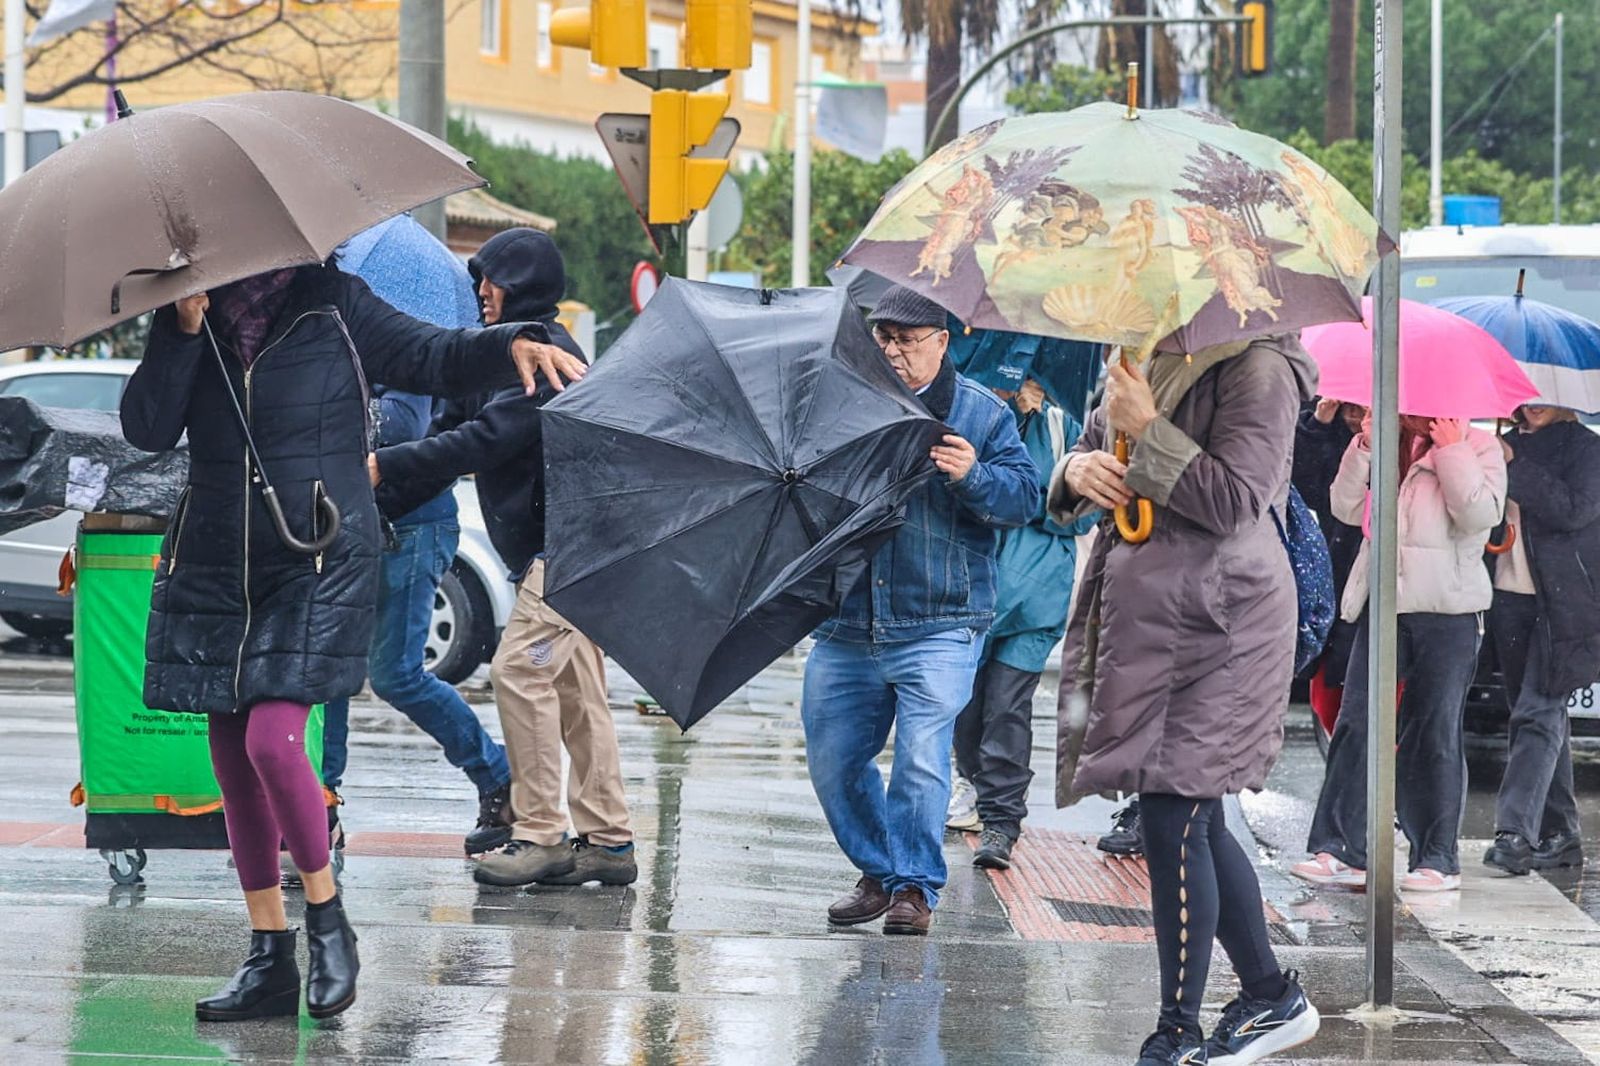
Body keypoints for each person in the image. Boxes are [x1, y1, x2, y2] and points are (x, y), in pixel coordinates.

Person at [120, 262, 583, 1022]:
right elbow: (146, 426)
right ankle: (269, 956)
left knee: (273, 741)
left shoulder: (332, 301)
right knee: (232, 757)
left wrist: (515, 343)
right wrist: (179, 332)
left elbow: (433, 353)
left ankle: (328, 920)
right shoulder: (185, 312)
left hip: (315, 546)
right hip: (216, 555)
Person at [1053, 336, 1321, 1066]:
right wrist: (1075, 470)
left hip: (1226, 620)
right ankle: (1270, 994)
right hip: (1154, 618)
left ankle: (1177, 1031)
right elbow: (1092, 451)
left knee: (1176, 811)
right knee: (1192, 813)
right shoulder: (1138, 352)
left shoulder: (1259, 367)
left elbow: (1236, 501)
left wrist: (1150, 428)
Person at [372, 228, 637, 890]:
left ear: (518, 286)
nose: (479, 290)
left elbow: (482, 441)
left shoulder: (547, 358)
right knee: (576, 691)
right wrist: (389, 487)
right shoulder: (501, 355)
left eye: (490, 278)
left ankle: (540, 833)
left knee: (519, 670)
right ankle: (608, 841)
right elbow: (449, 428)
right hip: (556, 549)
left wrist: (382, 467)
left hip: (574, 548)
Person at [805, 285, 1037, 937]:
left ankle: (913, 886)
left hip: (940, 620)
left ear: (943, 340)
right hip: (847, 621)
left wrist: (973, 476)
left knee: (921, 757)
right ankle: (880, 871)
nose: (892, 351)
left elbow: (1024, 501)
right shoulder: (843, 404)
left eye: (907, 340)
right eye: (882, 337)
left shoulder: (984, 414)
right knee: (834, 761)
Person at [1293, 412, 1505, 894]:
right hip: (1384, 601)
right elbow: (1344, 507)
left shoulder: (1477, 445)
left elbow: (1479, 517)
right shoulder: (1389, 439)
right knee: (1357, 721)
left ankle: (1436, 857)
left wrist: (1452, 451)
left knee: (1432, 730)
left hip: (1448, 609)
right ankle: (1341, 848)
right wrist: (1365, 446)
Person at [317, 381, 514, 858]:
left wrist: (328, 399)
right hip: (342, 521)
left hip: (413, 523)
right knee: (329, 671)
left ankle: (499, 777)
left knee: (395, 675)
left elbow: (404, 423)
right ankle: (321, 808)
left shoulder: (399, 335)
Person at [950, 377, 1096, 870]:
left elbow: (1079, 516)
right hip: (973, 587)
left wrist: (1021, 498)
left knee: (1007, 709)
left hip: (1036, 595)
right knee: (965, 712)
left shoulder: (1062, 427)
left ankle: (1002, 822)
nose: (1026, 385)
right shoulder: (978, 418)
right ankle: (973, 785)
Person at [1482, 404, 1600, 875]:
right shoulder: (1504, 442)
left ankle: (1515, 835)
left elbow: (1573, 511)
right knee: (1537, 714)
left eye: (1544, 393)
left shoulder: (1588, 449)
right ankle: (1562, 834)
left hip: (1566, 603)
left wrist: (1514, 465)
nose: (1532, 402)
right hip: (1509, 598)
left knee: (1538, 710)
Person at [1291, 398, 1367, 743]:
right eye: (1349, 407)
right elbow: (1303, 484)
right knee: (1332, 686)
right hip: (1335, 564)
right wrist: (1318, 424)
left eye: (1362, 407)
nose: (1354, 415)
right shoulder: (1326, 435)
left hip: (1376, 569)